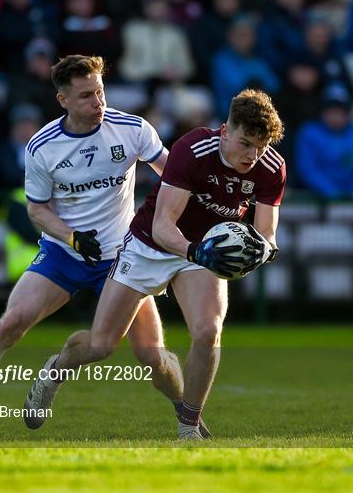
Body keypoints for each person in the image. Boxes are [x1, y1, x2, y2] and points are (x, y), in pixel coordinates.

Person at [0, 54, 193, 440]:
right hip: (65, 253)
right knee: (10, 324)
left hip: (123, 259)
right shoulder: (43, 147)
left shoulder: (131, 129)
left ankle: (187, 418)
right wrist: (74, 238)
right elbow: (37, 211)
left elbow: (173, 175)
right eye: (85, 97)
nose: (98, 103)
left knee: (152, 357)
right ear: (62, 100)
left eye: (100, 92)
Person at [25, 88, 286, 440]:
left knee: (206, 332)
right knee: (101, 346)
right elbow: (164, 226)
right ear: (226, 131)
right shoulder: (192, 150)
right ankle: (54, 371)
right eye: (245, 143)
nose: (252, 155)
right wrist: (197, 252)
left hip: (202, 251)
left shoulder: (272, 167)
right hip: (150, 247)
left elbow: (267, 232)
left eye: (260, 146)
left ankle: (189, 428)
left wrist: (264, 250)